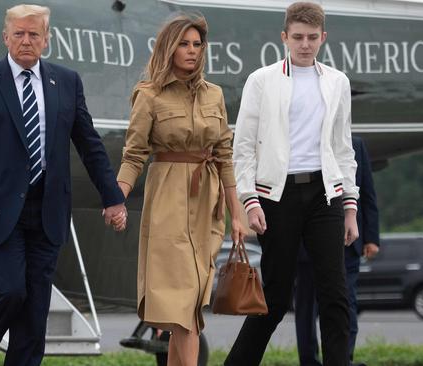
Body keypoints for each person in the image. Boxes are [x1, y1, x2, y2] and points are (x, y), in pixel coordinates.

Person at [0, 4, 126, 366]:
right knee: (10, 291)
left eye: (34, 35)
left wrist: (113, 197)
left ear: (46, 39)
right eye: (19, 34)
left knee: (34, 310)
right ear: (6, 37)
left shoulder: (67, 81)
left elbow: (89, 144)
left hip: (47, 210)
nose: (26, 41)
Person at [226, 2, 360, 365]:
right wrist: (249, 201)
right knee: (275, 296)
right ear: (284, 37)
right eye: (298, 37)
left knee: (335, 294)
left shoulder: (337, 82)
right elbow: (243, 148)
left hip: (325, 196)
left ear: (323, 38)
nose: (305, 44)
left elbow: (342, 148)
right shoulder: (262, 80)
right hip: (277, 196)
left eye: (312, 38)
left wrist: (350, 208)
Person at [116, 14, 246, 366]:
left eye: (197, 44)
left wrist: (238, 214)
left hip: (209, 204)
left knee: (187, 313)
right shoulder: (148, 95)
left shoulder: (215, 94)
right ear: (168, 48)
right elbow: (134, 155)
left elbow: (224, 156)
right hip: (168, 203)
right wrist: (117, 199)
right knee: (185, 311)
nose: (192, 51)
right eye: (184, 44)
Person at [295, 136, 380, 366]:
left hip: (347, 244)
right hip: (308, 246)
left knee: (347, 304)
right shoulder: (304, 140)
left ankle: (344, 359)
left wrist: (372, 238)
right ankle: (309, 360)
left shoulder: (357, 144)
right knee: (306, 307)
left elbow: (367, 192)